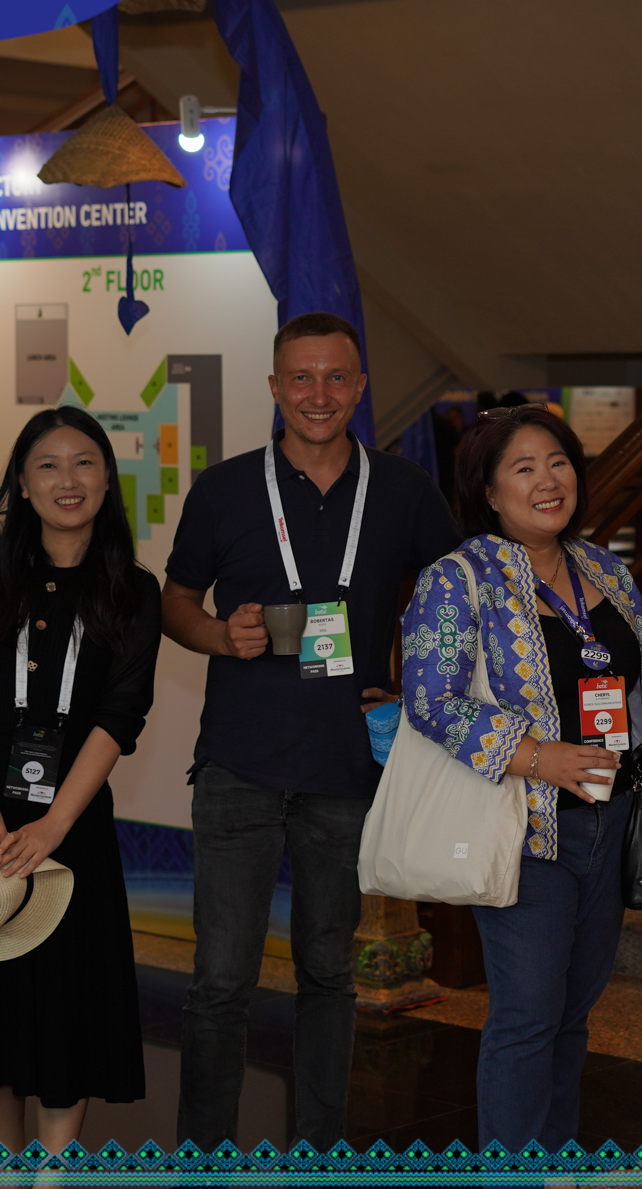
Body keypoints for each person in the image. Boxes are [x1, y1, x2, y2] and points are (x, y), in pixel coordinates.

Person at [162, 313, 459, 1151]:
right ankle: (204, 1160)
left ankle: (322, 1153)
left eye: (335, 377)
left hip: (346, 770)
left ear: (360, 388)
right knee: (220, 980)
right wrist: (219, 634)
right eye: (301, 377)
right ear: (274, 387)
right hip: (239, 765)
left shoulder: (403, 489)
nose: (318, 394)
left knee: (329, 975)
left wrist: (413, 684)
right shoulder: (224, 489)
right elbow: (175, 601)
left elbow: (452, 599)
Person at [0, 406, 161, 1151]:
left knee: (69, 1006)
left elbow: (119, 717)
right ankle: (9, 1167)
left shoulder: (133, 590)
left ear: (106, 478)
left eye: (83, 462)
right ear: (22, 481)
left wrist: (54, 826)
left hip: (68, 822)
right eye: (47, 464)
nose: (66, 480)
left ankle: (53, 1171)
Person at [400, 404, 642, 1152]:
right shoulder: (457, 580)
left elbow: (641, 685)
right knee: (527, 1017)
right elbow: (430, 699)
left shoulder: (605, 569)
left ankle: (555, 1160)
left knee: (573, 1016)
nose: (548, 480)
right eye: (524, 468)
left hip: (612, 821)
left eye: (558, 462)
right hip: (524, 829)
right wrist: (539, 757)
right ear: (488, 490)